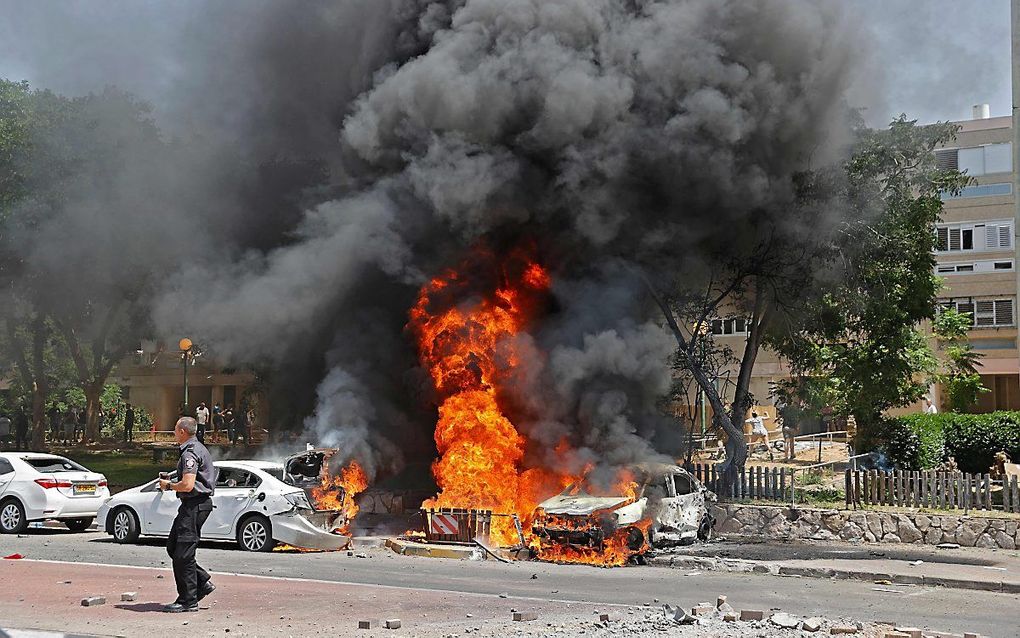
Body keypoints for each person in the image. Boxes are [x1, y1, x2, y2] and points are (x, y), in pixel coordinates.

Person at [159, 417, 217, 613]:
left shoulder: (190, 452)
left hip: (194, 505)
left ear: (182, 431)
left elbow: (188, 485)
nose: (174, 432)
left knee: (183, 554)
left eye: (175, 429)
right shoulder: (197, 448)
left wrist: (168, 485)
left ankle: (188, 600)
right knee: (174, 547)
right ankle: (202, 582)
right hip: (194, 505)